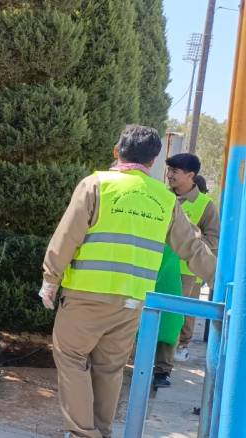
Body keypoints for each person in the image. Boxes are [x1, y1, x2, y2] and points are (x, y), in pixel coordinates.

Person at [40, 125, 217, 438]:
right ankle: (101, 431)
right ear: (153, 163)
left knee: (71, 357)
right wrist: (223, 282)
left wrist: (50, 278)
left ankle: (83, 433)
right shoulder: (165, 198)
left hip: (86, 294)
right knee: (109, 369)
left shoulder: (96, 184)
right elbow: (192, 247)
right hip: (132, 302)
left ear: (116, 151)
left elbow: (66, 237)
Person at [152, 153, 220, 387]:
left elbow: (213, 241)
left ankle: (162, 369)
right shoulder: (159, 196)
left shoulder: (205, 206)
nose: (169, 175)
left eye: (175, 171)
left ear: (191, 175)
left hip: (184, 272)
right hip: (153, 264)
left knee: (172, 319)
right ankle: (136, 360)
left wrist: (189, 238)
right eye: (168, 170)